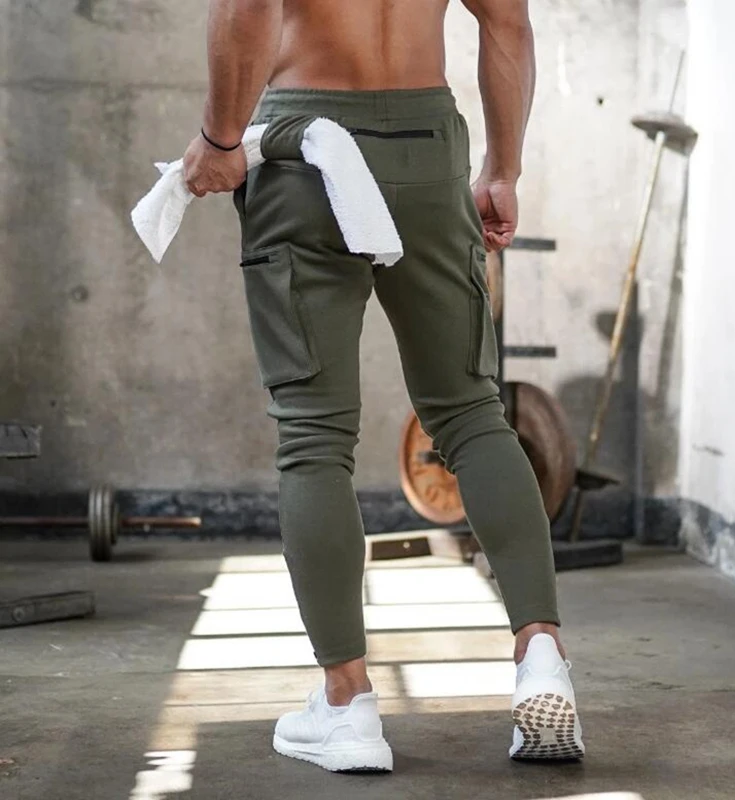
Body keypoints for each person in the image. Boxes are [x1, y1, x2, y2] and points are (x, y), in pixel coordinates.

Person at [183, 0, 584, 773]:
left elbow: (248, 5)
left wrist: (220, 139)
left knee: (313, 436)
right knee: (472, 414)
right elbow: (507, 20)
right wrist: (503, 168)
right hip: (426, 146)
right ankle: (541, 655)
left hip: (305, 147)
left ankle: (347, 705)